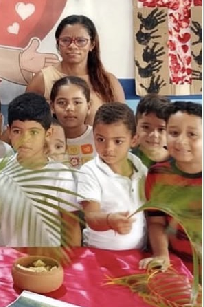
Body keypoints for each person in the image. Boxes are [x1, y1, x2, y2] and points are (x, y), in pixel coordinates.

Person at [0, 93, 80, 247]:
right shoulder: (0, 167)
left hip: (47, 257)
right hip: (7, 255)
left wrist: (72, 259)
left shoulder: (60, 174)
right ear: (9, 131)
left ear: (47, 134)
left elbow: (71, 226)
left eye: (33, 132)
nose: (25, 139)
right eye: (17, 131)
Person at [26, 15, 125, 125]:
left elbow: (122, 124)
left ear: (92, 44)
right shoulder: (42, 80)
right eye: (65, 40)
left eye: (81, 41)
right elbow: (26, 122)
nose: (72, 46)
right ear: (58, 44)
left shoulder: (108, 81)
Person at [139, 102, 202, 270]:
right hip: (179, 269)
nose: (181, 141)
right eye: (174, 133)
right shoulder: (157, 174)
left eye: (192, 134)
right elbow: (156, 222)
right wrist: (161, 255)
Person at [77, 103, 148, 251]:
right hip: (99, 254)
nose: (108, 148)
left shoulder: (140, 167)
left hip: (138, 253)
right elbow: (91, 217)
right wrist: (109, 221)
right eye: (101, 139)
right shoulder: (89, 171)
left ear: (134, 140)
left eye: (118, 141)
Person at [49, 76, 95, 168]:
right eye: (62, 103)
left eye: (77, 102)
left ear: (89, 107)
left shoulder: (99, 137)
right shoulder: (45, 139)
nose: (70, 108)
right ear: (52, 107)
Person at [132, 94, 171, 168]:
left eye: (161, 129)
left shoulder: (179, 160)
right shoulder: (127, 157)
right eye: (146, 127)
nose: (154, 135)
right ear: (135, 126)